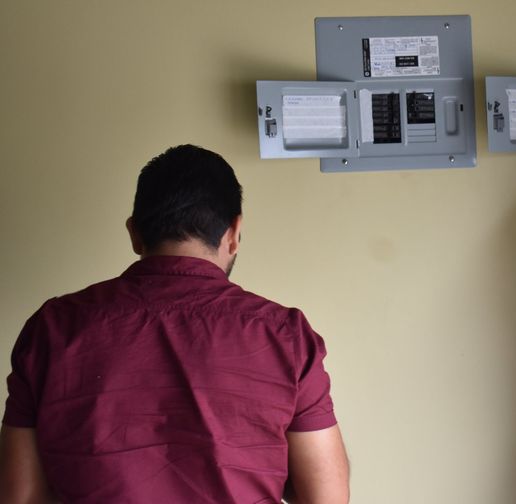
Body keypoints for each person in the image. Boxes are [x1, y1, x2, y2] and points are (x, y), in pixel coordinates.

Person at [0, 145, 350, 503]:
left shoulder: (52, 329)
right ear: (234, 232)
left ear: (135, 233)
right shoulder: (285, 336)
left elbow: (20, 497)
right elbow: (326, 497)